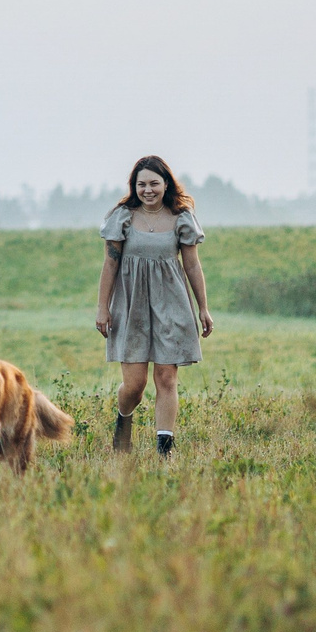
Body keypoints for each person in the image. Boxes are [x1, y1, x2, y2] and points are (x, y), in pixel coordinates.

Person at [95, 154, 212, 455]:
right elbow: (110, 265)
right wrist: (102, 307)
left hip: (171, 303)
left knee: (166, 377)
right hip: (131, 304)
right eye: (141, 184)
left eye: (154, 183)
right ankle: (123, 420)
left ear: (166, 184)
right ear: (134, 186)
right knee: (134, 385)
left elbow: (193, 267)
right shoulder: (122, 216)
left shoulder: (181, 217)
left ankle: (164, 450)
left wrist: (203, 308)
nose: (148, 190)